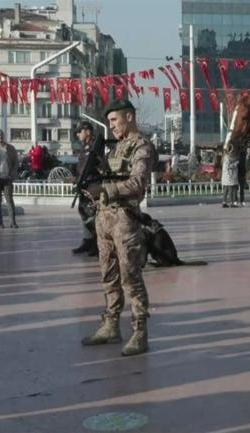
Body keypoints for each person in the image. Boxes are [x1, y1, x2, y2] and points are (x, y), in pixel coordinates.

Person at [81, 99, 157, 357]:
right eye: (109, 121)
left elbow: (136, 183)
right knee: (108, 275)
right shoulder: (115, 147)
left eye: (114, 120)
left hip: (125, 220)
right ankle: (111, 325)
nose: (111, 126)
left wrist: (105, 188)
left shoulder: (141, 145)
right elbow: (110, 176)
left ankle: (139, 332)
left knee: (130, 277)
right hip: (105, 218)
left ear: (129, 117)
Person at [72, 121, 102, 256]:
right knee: (83, 212)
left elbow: (95, 166)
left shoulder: (96, 146)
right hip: (83, 184)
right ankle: (87, 241)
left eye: (80, 131)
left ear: (88, 131)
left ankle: (96, 243)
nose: (78, 134)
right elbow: (81, 166)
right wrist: (76, 179)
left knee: (93, 214)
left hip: (93, 184)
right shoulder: (84, 147)